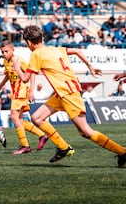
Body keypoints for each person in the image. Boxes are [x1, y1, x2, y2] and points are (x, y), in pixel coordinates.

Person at [13, 25, 126, 167]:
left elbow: (24, 78)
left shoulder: (36, 54)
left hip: (68, 94)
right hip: (62, 93)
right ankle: (63, 147)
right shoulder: (56, 49)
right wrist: (89, 66)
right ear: (42, 38)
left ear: (28, 42)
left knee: (85, 131)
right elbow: (78, 51)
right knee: (37, 118)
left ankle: (123, 152)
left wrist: (16, 66)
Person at [0, 41, 48, 154]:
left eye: (6, 51)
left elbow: (31, 74)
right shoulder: (5, 61)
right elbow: (8, 76)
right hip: (16, 92)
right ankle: (42, 135)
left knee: (14, 117)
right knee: (20, 120)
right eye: (2, 52)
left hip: (21, 91)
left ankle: (25, 146)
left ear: (13, 50)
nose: (4, 53)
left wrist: (32, 91)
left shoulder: (19, 60)